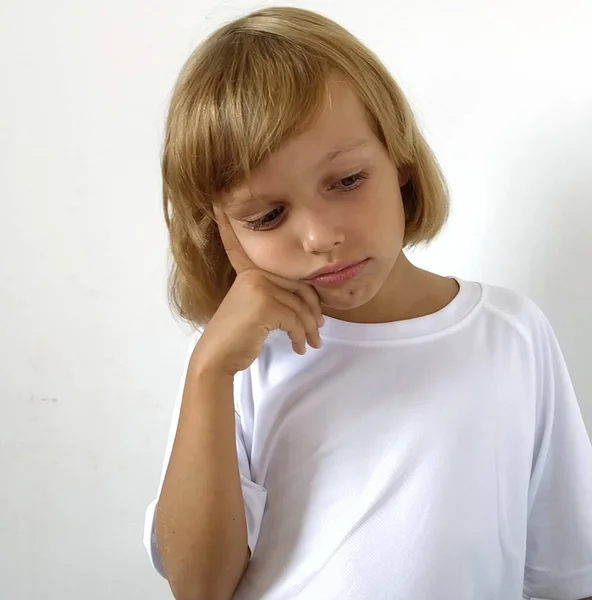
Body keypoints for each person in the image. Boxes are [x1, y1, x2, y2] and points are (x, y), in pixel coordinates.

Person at [143, 6, 592, 600]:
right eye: (267, 215)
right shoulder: (237, 363)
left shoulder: (510, 334)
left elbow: (566, 570)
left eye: (347, 181)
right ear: (226, 231)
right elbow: (198, 587)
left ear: (399, 160)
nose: (320, 236)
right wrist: (208, 371)